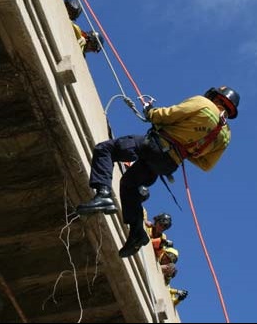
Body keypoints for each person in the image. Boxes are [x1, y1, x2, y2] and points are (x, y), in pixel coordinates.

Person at [75, 86, 240, 258]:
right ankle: (137, 232)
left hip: (156, 146)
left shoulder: (203, 103)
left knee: (105, 149)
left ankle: (103, 194)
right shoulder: (225, 135)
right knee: (129, 185)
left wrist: (151, 112)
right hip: (168, 164)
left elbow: (169, 115)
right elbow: (206, 164)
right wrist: (184, 148)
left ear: (215, 96)